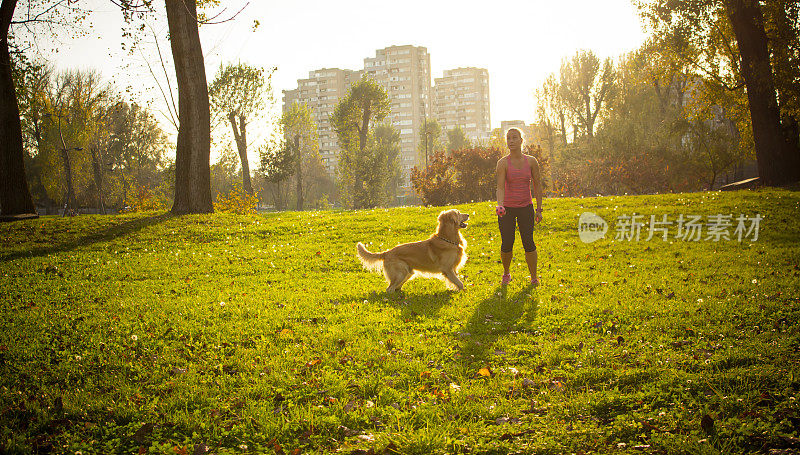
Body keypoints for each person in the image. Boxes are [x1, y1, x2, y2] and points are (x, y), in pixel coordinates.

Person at [495, 127, 543, 286]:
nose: (511, 141)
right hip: (507, 210)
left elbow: (537, 185)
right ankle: (506, 273)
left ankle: (534, 277)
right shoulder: (502, 163)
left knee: (528, 242)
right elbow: (500, 187)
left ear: (521, 140)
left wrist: (539, 209)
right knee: (507, 242)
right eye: (509, 138)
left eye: (515, 138)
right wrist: (500, 205)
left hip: (526, 208)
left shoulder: (531, 161)